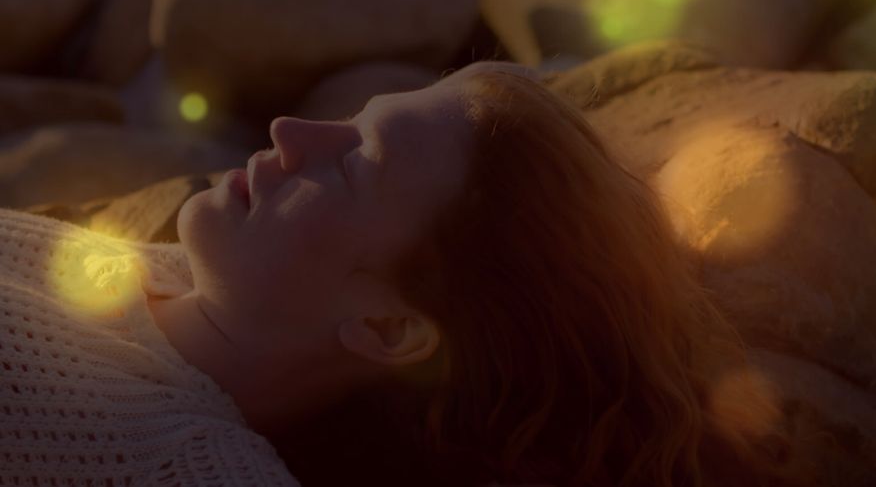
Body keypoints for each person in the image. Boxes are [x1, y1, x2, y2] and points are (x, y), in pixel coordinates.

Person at [0, 62, 774, 486]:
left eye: (351, 166)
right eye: (352, 118)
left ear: (388, 327)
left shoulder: (186, 465)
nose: (288, 132)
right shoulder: (132, 274)